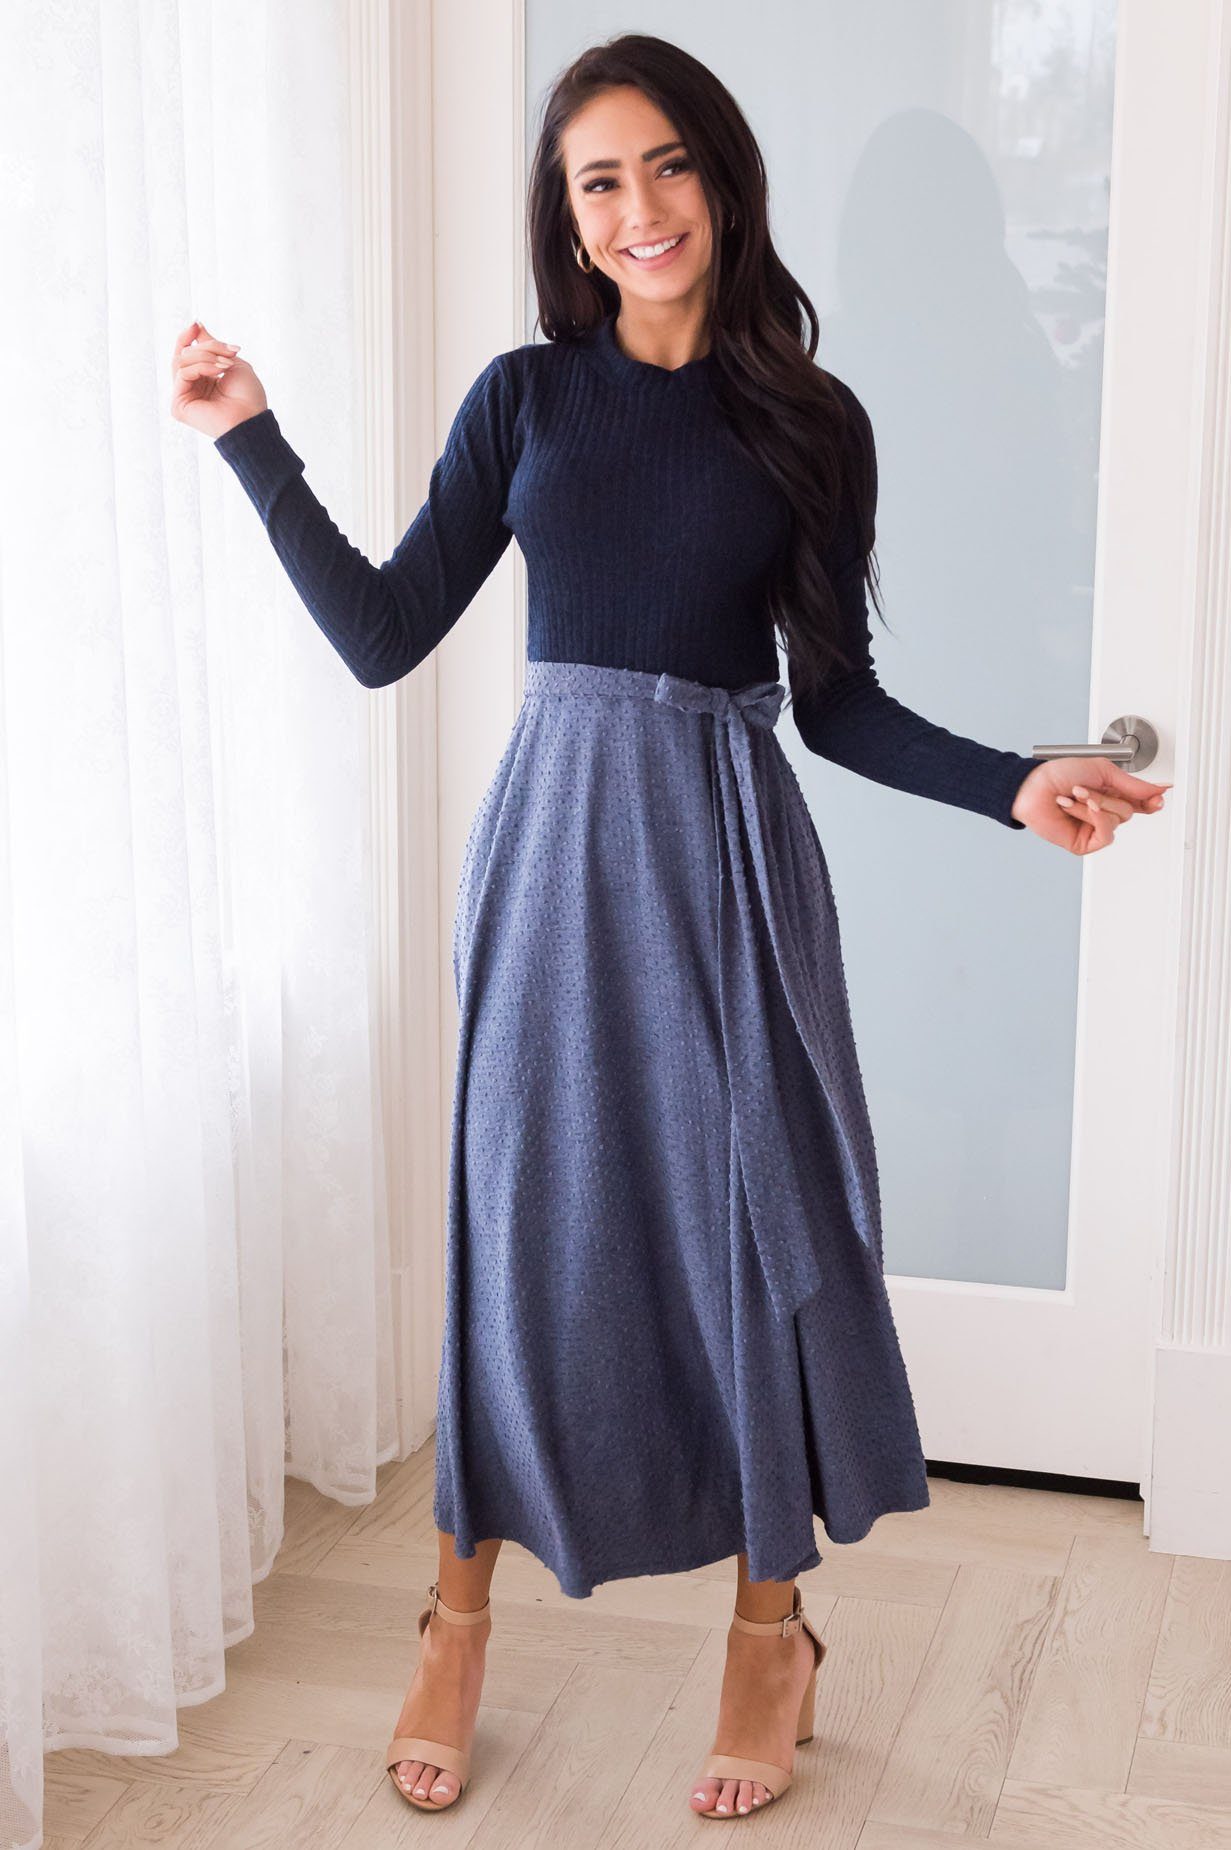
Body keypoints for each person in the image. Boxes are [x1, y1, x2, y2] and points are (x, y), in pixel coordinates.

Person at [171, 31, 1169, 1827]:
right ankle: (456, 1618)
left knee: (760, 1231)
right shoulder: (526, 403)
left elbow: (838, 706)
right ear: (567, 218)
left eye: (667, 165)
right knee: (521, 1237)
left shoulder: (807, 421)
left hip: (721, 860)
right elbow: (386, 633)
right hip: (553, 854)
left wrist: (1014, 779)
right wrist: (255, 441)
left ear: (721, 175)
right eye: (599, 181)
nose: (640, 208)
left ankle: (770, 1635)